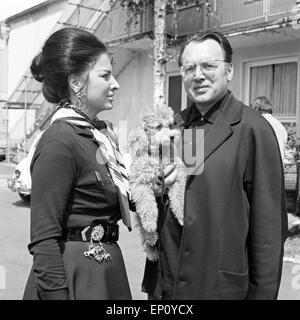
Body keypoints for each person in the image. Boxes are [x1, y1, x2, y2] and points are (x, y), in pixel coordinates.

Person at [142, 31, 288, 300]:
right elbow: (187, 193)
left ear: (229, 71)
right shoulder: (178, 125)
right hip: (169, 285)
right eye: (189, 68)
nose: (198, 75)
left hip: (219, 287)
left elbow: (268, 230)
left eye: (208, 66)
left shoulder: (253, 129)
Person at [23, 27, 132, 300]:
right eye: (105, 76)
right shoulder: (60, 142)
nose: (115, 84)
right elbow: (44, 239)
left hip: (104, 272)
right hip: (74, 278)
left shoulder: (99, 137)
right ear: (76, 82)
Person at [251, 96, 288, 161]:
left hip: (265, 163)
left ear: (256, 108)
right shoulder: (279, 125)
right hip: (278, 164)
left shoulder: (260, 122)